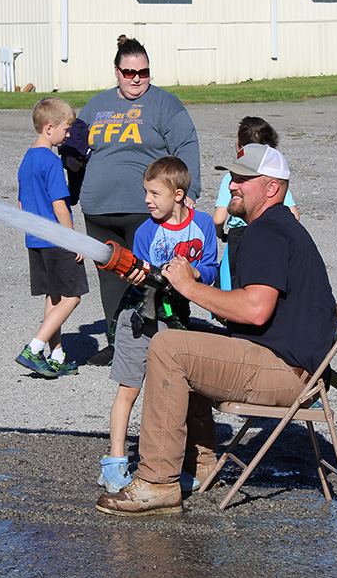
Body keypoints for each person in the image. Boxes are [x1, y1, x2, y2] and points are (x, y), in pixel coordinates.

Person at [95, 144, 336, 516]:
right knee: (188, 335)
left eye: (242, 179)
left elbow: (255, 311)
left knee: (169, 347)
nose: (232, 185)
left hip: (285, 372)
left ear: (271, 188)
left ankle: (157, 483)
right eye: (232, 177)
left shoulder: (266, 232)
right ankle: (203, 464)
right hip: (290, 364)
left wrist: (190, 287)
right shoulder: (279, 226)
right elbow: (250, 308)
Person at [76, 35, 201, 366]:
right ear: (115, 71)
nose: (136, 79)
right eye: (128, 72)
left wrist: (190, 192)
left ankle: (157, 344)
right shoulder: (97, 105)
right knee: (110, 280)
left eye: (143, 72)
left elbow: (186, 146)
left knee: (148, 279)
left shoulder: (164, 104)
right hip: (99, 208)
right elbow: (74, 150)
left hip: (144, 211)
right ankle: (117, 345)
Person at [98, 156, 217, 494]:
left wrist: (193, 273)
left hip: (176, 316)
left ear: (179, 195)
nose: (147, 200)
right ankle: (115, 463)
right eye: (145, 192)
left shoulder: (204, 224)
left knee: (178, 391)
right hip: (140, 317)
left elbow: (210, 266)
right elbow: (137, 276)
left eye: (154, 193)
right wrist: (135, 277)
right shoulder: (146, 231)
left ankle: (180, 462)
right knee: (130, 389)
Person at [15, 98, 88, 378]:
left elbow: (22, 204)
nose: (68, 135)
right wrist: (73, 240)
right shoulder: (51, 162)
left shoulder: (28, 158)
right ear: (49, 128)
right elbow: (60, 204)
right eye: (66, 129)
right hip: (57, 240)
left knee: (54, 297)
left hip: (35, 240)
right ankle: (34, 348)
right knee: (73, 297)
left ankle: (56, 355)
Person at [213, 117, 299, 289]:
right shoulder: (272, 179)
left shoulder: (232, 179)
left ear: (240, 145)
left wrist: (220, 234)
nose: (234, 184)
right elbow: (294, 216)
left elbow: (218, 218)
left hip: (238, 235)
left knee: (235, 282)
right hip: (270, 231)